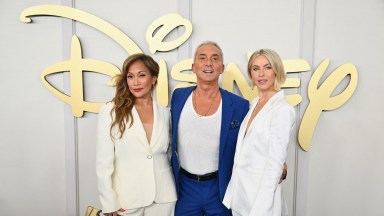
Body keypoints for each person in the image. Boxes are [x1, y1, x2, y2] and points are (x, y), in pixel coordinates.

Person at [170, 41, 250, 216]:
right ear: (193, 66)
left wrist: (277, 161)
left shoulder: (239, 106)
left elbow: (252, 142)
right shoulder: (178, 97)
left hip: (220, 187)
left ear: (222, 68)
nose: (208, 63)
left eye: (215, 59)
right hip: (185, 188)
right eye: (202, 58)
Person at [96, 53, 177, 216]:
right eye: (130, 77)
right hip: (126, 201)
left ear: (154, 78)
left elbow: (168, 153)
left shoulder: (165, 113)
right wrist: (109, 203)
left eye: (142, 75)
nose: (136, 82)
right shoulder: (111, 112)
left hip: (164, 198)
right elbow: (103, 162)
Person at [222, 49, 296, 216]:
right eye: (256, 68)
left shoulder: (282, 110)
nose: (261, 74)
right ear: (251, 74)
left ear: (276, 70)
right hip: (240, 198)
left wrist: (261, 210)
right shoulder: (254, 104)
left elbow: (275, 166)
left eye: (267, 67)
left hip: (261, 204)